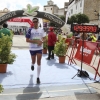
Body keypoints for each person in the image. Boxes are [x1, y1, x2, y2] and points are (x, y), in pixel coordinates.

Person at [26, 18, 46, 84]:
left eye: (36, 22)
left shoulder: (41, 30)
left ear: (38, 22)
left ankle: (38, 77)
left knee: (39, 61)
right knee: (34, 61)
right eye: (33, 22)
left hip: (39, 48)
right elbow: (27, 40)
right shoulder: (30, 30)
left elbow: (44, 38)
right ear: (32, 23)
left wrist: (41, 41)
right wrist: (36, 41)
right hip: (32, 48)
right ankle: (32, 64)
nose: (35, 23)